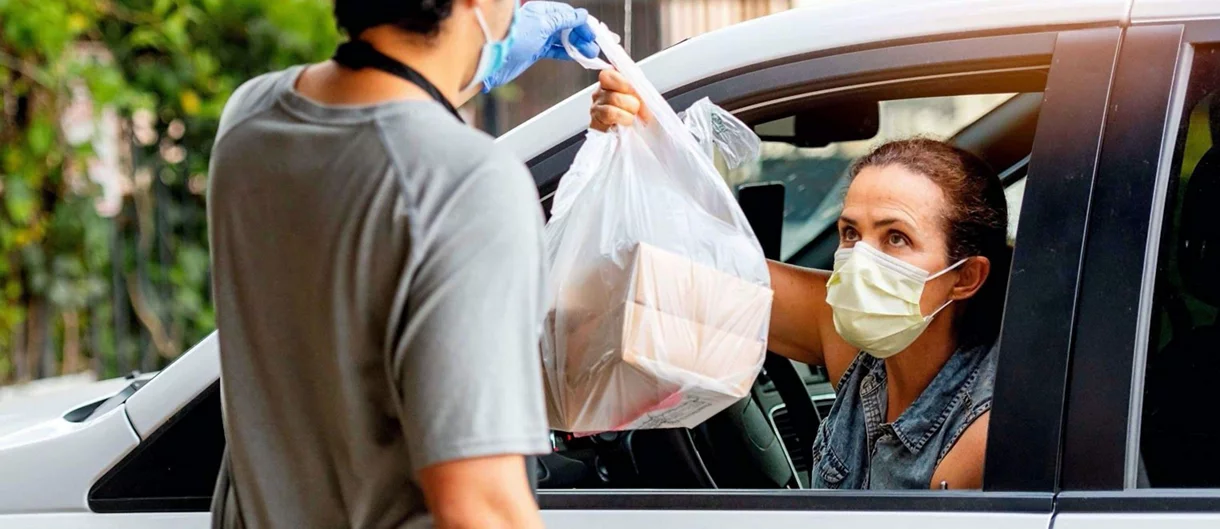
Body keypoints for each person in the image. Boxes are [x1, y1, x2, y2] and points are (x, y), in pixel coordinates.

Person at [206, 1, 599, 528]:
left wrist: (474, 68)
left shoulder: (250, 118)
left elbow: (386, 127)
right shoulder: (469, 188)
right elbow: (481, 506)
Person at [589, 70, 1011, 490]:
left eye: (895, 238)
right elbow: (689, 276)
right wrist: (636, 148)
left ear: (965, 276)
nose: (861, 261)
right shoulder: (858, 346)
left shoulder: (980, 433)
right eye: (850, 233)